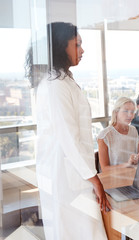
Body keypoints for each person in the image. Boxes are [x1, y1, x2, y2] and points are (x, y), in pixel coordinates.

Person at [26, 22, 110, 239]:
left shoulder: (62, 80)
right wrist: (94, 179)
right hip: (65, 176)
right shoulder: (55, 85)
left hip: (72, 173)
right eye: (77, 44)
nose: (82, 50)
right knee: (80, 231)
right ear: (61, 46)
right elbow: (68, 137)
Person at [97, 97, 139, 171]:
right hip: (114, 179)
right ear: (116, 112)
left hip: (132, 176)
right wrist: (127, 164)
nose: (130, 115)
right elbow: (104, 169)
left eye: (132, 112)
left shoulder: (133, 130)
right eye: (126, 111)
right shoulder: (105, 136)